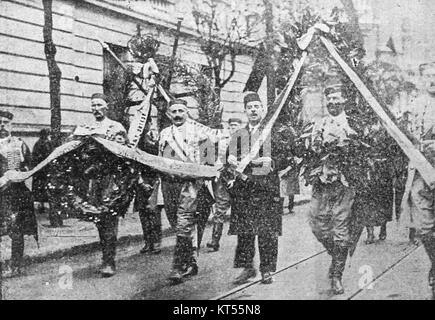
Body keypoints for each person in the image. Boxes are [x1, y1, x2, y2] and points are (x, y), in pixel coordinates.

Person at [159, 99, 228, 284]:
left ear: (187, 112)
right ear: (168, 114)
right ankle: (190, 262)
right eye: (173, 111)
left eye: (181, 110)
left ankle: (178, 267)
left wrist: (205, 171)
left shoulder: (200, 132)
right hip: (170, 186)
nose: (178, 115)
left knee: (184, 224)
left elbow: (210, 158)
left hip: (191, 186)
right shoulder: (164, 133)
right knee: (176, 223)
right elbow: (161, 160)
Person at [227, 92, 292, 285]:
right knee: (245, 232)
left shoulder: (273, 132)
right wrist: (229, 159)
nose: (253, 110)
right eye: (250, 107)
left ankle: (266, 270)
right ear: (245, 111)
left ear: (263, 110)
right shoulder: (239, 134)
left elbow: (286, 158)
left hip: (266, 189)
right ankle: (248, 268)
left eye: (257, 106)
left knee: (267, 231)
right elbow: (229, 158)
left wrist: (272, 161)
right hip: (244, 188)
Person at [308, 83, 357, 295]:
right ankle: (337, 255)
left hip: (344, 185)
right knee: (317, 225)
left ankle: (337, 275)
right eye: (329, 99)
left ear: (344, 101)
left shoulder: (353, 124)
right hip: (321, 183)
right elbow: (311, 151)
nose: (333, 103)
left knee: (340, 230)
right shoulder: (319, 124)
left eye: (337, 98)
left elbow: (360, 154)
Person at [73, 93, 129, 277]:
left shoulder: (115, 127)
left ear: (106, 107)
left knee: (109, 218)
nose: (96, 108)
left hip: (110, 179)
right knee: (98, 220)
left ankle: (109, 261)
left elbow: (124, 153)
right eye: (93, 105)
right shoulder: (85, 128)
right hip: (93, 180)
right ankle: (106, 257)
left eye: (99, 105)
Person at [401, 62, 435, 299]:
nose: (433, 80)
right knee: (425, 228)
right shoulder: (413, 107)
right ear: (422, 79)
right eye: (429, 76)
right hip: (422, 177)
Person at [0, 110, 37, 277]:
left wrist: (19, 173)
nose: (2, 126)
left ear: (11, 125)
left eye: (6, 123)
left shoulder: (18, 144)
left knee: (16, 229)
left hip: (15, 194)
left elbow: (28, 166)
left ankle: (16, 265)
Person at [206, 117, 242, 252]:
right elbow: (213, 157)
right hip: (223, 179)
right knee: (220, 209)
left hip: (240, 180)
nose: (233, 128)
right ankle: (214, 241)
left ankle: (243, 243)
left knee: (242, 211)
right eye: (231, 126)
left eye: (236, 126)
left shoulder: (246, 142)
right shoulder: (222, 142)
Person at [31, 129, 59, 227]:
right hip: (44, 170)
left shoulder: (38, 144)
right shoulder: (44, 144)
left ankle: (42, 205)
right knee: (44, 187)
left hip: (41, 170)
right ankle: (42, 205)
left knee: (41, 187)